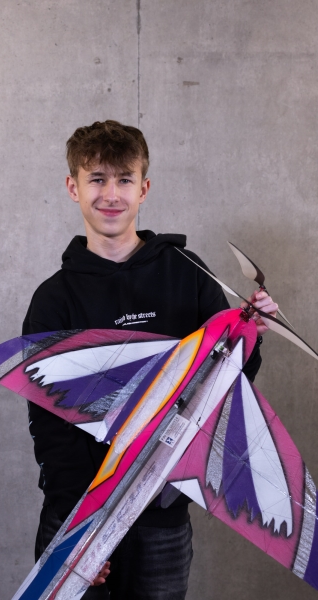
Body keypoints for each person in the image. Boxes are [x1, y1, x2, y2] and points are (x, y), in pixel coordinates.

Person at [22, 120, 278, 599]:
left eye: (124, 179)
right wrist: (78, 531)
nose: (110, 194)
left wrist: (248, 335)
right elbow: (49, 425)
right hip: (78, 512)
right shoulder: (53, 299)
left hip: (161, 513)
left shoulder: (188, 274)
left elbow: (226, 387)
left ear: (144, 188)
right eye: (97, 179)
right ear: (73, 188)